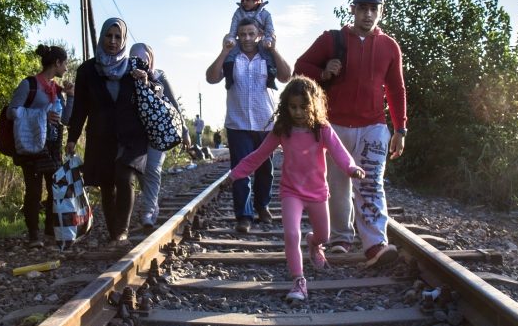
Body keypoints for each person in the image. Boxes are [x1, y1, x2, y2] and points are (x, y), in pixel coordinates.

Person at [293, 0, 408, 269]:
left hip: (374, 127)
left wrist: (400, 128)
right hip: (334, 126)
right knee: (337, 184)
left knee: (370, 184)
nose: (368, 15)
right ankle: (341, 239)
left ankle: (374, 244)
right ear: (353, 9)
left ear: (380, 11)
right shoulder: (332, 40)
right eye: (363, 9)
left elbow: (396, 89)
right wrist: (322, 71)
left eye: (374, 9)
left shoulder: (389, 46)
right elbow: (299, 67)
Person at [229, 76, 364, 301]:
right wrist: (235, 175)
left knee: (324, 235)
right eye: (293, 107)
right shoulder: (283, 130)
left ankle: (314, 243)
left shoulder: (322, 129)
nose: (298, 112)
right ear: (285, 107)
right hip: (291, 192)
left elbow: (339, 152)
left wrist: (351, 168)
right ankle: (298, 281)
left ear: (313, 105)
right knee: (291, 234)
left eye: (303, 107)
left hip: (318, 192)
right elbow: (258, 156)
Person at [66, 18, 149, 243]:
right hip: (102, 136)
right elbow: (81, 107)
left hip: (132, 136)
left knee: (124, 177)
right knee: (107, 184)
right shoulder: (87, 70)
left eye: (117, 37)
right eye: (108, 36)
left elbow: (154, 93)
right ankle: (114, 232)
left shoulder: (135, 66)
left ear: (123, 40)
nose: (112, 41)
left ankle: (122, 229)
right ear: (102, 37)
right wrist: (72, 138)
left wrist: (147, 82)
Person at [206, 17, 291, 233]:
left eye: (251, 34)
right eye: (242, 34)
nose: (247, 38)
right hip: (238, 123)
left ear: (259, 35)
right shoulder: (232, 58)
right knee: (240, 170)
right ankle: (244, 216)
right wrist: (224, 51)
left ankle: (262, 206)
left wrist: (274, 50)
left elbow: (286, 76)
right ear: (237, 35)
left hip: (266, 123)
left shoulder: (267, 57)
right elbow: (211, 78)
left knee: (265, 170)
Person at [8, 44, 72, 248]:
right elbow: (12, 111)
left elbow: (66, 119)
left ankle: (49, 231)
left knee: (55, 189)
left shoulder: (57, 90)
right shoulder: (29, 85)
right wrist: (41, 115)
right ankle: (33, 235)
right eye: (65, 64)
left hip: (52, 147)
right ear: (57, 63)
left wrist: (71, 96)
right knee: (34, 190)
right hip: (32, 145)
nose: (66, 69)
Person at [128, 42, 190, 230]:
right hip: (136, 132)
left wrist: (185, 130)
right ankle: (152, 204)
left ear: (151, 59)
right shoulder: (125, 75)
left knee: (153, 169)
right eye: (135, 58)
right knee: (140, 171)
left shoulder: (159, 76)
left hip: (159, 132)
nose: (140, 62)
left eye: (144, 59)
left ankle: (147, 211)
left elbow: (173, 104)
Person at [225, 0, 278, 86]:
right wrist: (231, 39)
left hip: (260, 41)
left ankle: (271, 79)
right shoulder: (238, 13)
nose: (244, 2)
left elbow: (270, 30)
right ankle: (229, 77)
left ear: (256, 0)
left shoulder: (265, 14)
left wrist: (268, 40)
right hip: (242, 40)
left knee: (268, 54)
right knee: (231, 53)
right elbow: (233, 28)